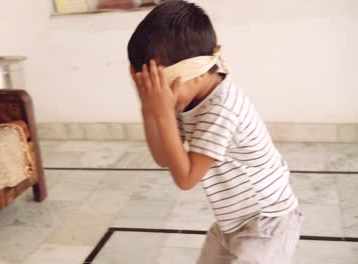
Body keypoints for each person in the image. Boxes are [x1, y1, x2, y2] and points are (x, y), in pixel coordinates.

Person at [127, 1, 302, 263]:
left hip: (266, 224)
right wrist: (149, 110)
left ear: (194, 73)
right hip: (233, 222)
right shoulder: (182, 97)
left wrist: (162, 113)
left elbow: (186, 178)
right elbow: (164, 158)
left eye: (158, 90)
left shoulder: (222, 109)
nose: (161, 100)